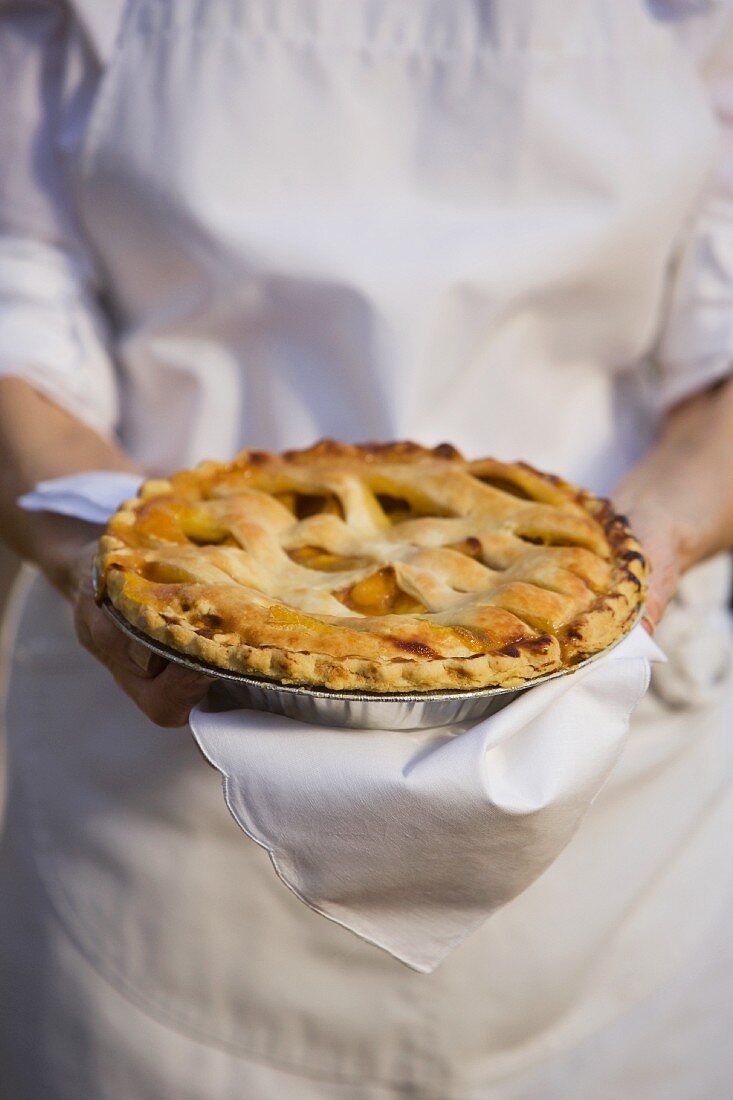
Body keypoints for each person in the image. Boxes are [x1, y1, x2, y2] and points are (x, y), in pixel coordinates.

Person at [1, 2, 732, 1096]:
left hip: (607, 827)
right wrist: (95, 546)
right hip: (165, 824)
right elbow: (17, 301)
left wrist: (659, 523)